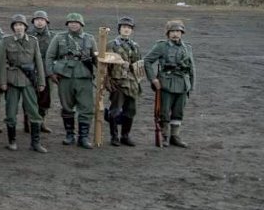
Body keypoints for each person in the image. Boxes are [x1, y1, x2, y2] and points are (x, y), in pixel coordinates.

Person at [44, 12, 98, 149]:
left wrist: (103, 74)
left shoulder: (90, 39)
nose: (73, 25)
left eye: (76, 22)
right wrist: (51, 73)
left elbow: (96, 59)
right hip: (65, 77)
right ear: (67, 24)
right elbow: (49, 56)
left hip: (84, 77)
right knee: (67, 107)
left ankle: (83, 137)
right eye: (71, 22)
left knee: (86, 107)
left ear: (81, 24)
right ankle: (69, 135)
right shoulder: (59, 38)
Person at [0, 15, 47, 153]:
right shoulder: (6, 41)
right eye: (16, 25)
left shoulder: (33, 41)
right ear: (13, 27)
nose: (18, 27)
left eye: (21, 25)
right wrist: (2, 82)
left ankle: (35, 143)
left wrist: (41, 81)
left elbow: (38, 62)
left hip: (28, 81)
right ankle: (12, 141)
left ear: (25, 27)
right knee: (10, 112)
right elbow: (1, 62)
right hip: (12, 80)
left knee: (34, 111)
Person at [144, 20, 196, 148]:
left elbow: (192, 68)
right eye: (172, 31)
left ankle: (175, 136)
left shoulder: (187, 47)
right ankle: (164, 136)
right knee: (164, 112)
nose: (175, 34)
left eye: (178, 31)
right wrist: (153, 79)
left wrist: (191, 85)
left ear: (182, 33)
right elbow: (147, 61)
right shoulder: (161, 46)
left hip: (183, 84)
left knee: (178, 112)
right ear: (168, 33)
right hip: (166, 84)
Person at [106, 16, 143, 147]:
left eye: (129, 28)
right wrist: (107, 80)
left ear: (132, 30)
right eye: (124, 27)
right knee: (115, 110)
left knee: (130, 110)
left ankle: (125, 136)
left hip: (132, 83)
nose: (126, 30)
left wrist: (138, 82)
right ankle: (114, 136)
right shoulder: (111, 45)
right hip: (118, 82)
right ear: (119, 29)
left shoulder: (135, 46)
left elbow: (139, 65)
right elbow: (106, 65)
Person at [30, 10, 56, 132]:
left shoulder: (53, 36)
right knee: (30, 98)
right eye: (37, 20)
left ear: (46, 22)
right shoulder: (28, 35)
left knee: (45, 98)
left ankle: (41, 122)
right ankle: (29, 123)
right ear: (33, 21)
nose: (39, 22)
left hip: (46, 71)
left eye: (42, 20)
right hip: (30, 70)